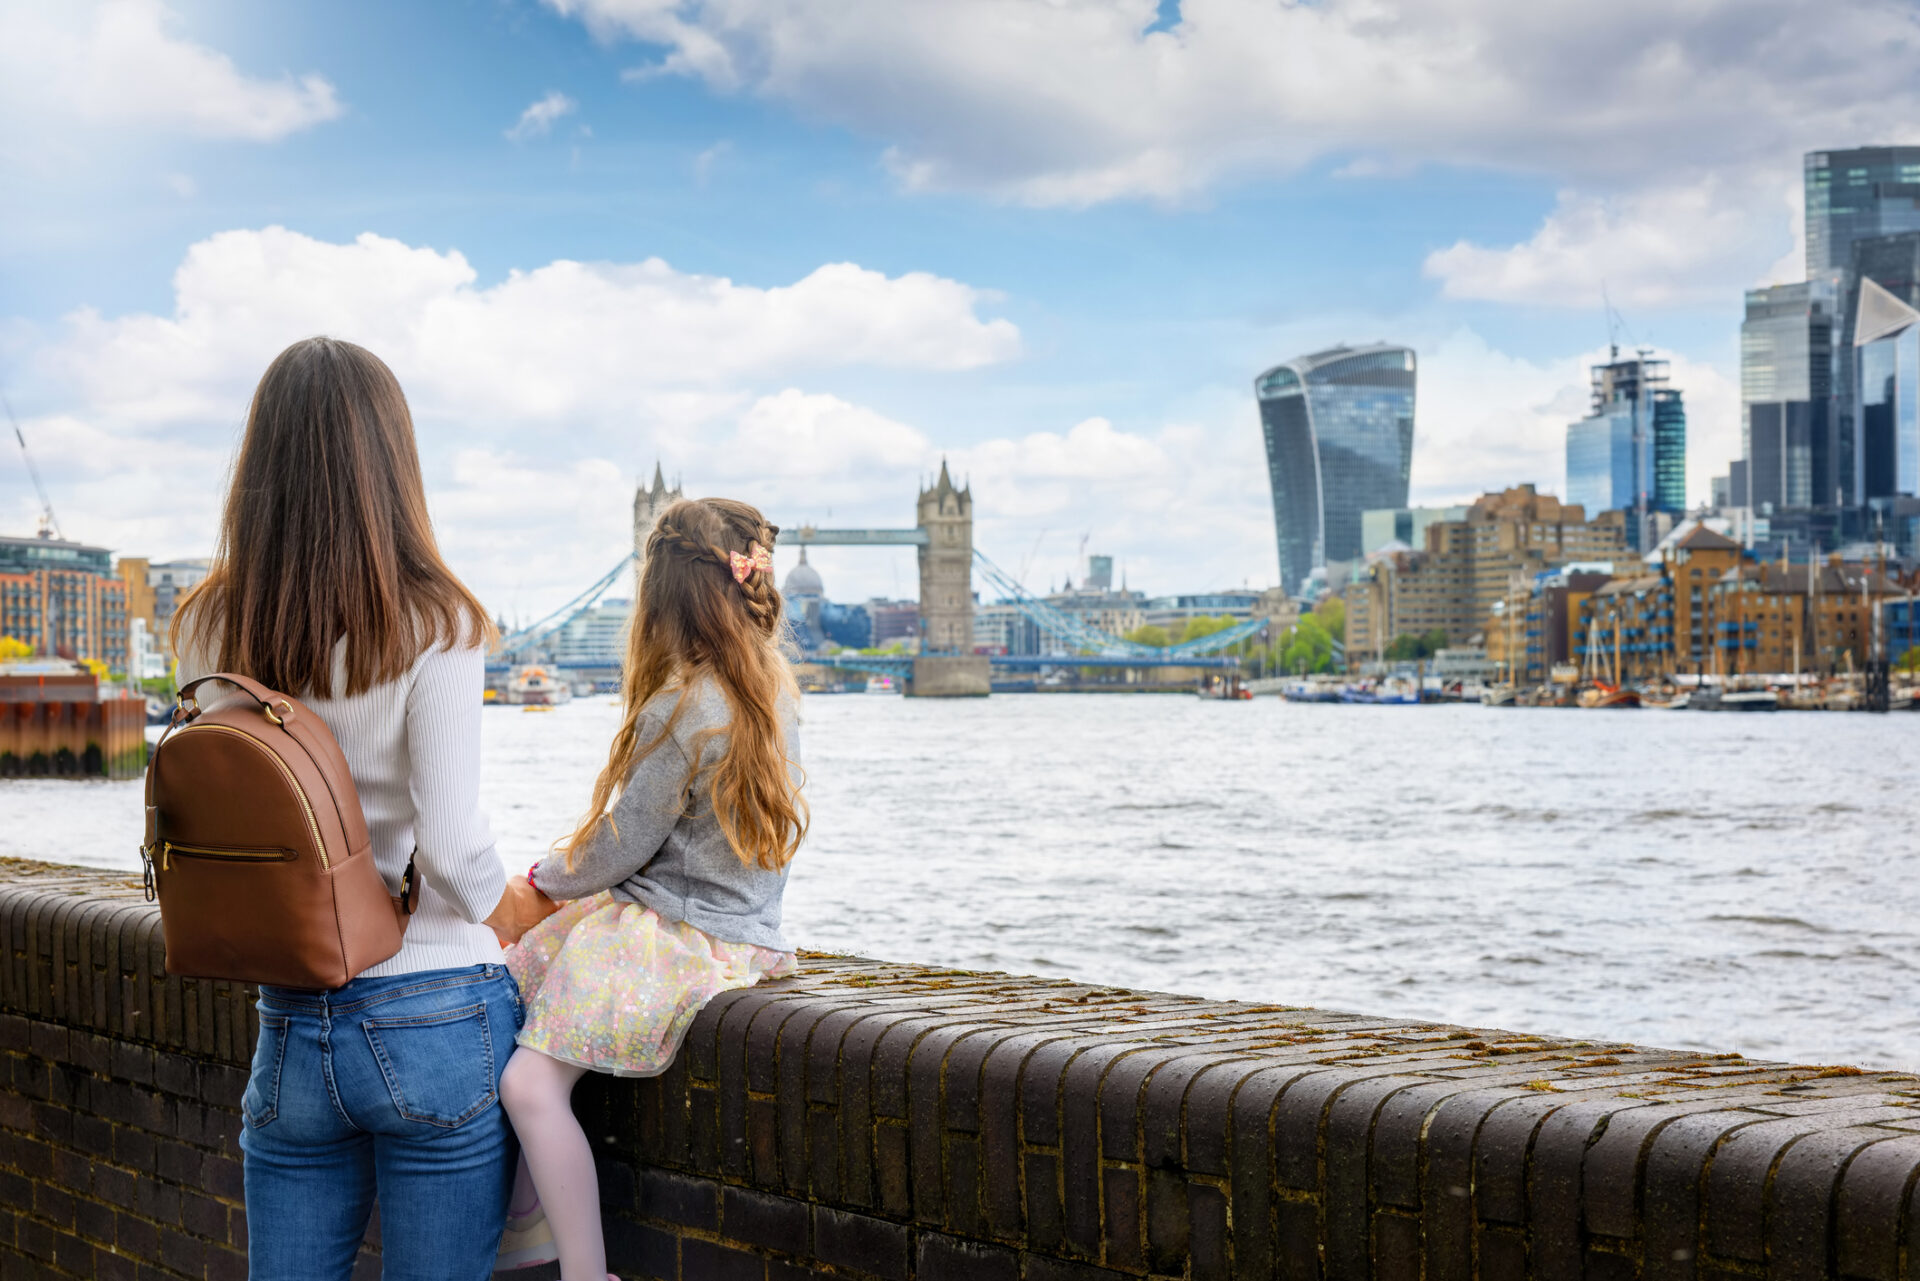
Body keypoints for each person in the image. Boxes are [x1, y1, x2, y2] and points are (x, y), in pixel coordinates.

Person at [172, 337, 552, 1279]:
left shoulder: (209, 624)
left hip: (294, 1019)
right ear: (393, 463)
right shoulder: (439, 623)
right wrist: (532, 909)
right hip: (435, 1012)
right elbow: (460, 857)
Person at [491, 498, 807, 1279]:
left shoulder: (681, 704)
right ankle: (531, 1215)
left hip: (674, 932)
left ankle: (581, 1268)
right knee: (524, 983)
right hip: (746, 936)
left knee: (528, 1082)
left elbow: (618, 848)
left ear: (664, 595)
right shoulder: (774, 694)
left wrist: (541, 878)